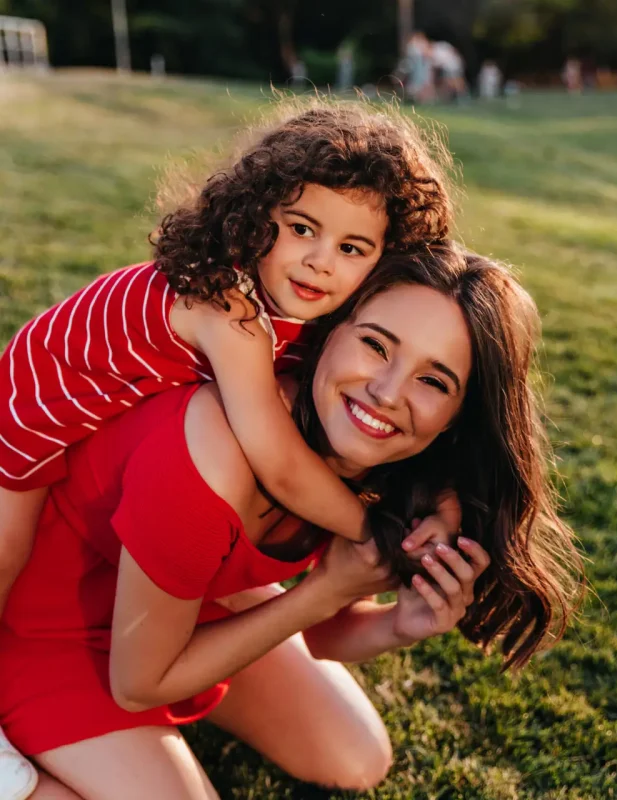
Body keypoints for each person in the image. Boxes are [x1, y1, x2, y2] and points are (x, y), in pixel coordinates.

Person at [0, 244, 585, 798]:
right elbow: (138, 686)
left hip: (189, 608)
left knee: (355, 758)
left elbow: (323, 631)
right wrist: (320, 594)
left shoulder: (388, 463)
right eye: (377, 345)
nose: (386, 392)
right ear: (331, 332)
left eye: (433, 380)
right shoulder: (219, 447)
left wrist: (401, 622)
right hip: (48, 626)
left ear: (459, 416)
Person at [0, 101, 455, 798]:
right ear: (253, 214)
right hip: (23, 422)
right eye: (301, 228)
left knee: (357, 755)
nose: (318, 260)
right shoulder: (228, 306)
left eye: (352, 249)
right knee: (3, 556)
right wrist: (376, 533)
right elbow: (275, 459)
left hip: (123, 513)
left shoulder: (311, 326)